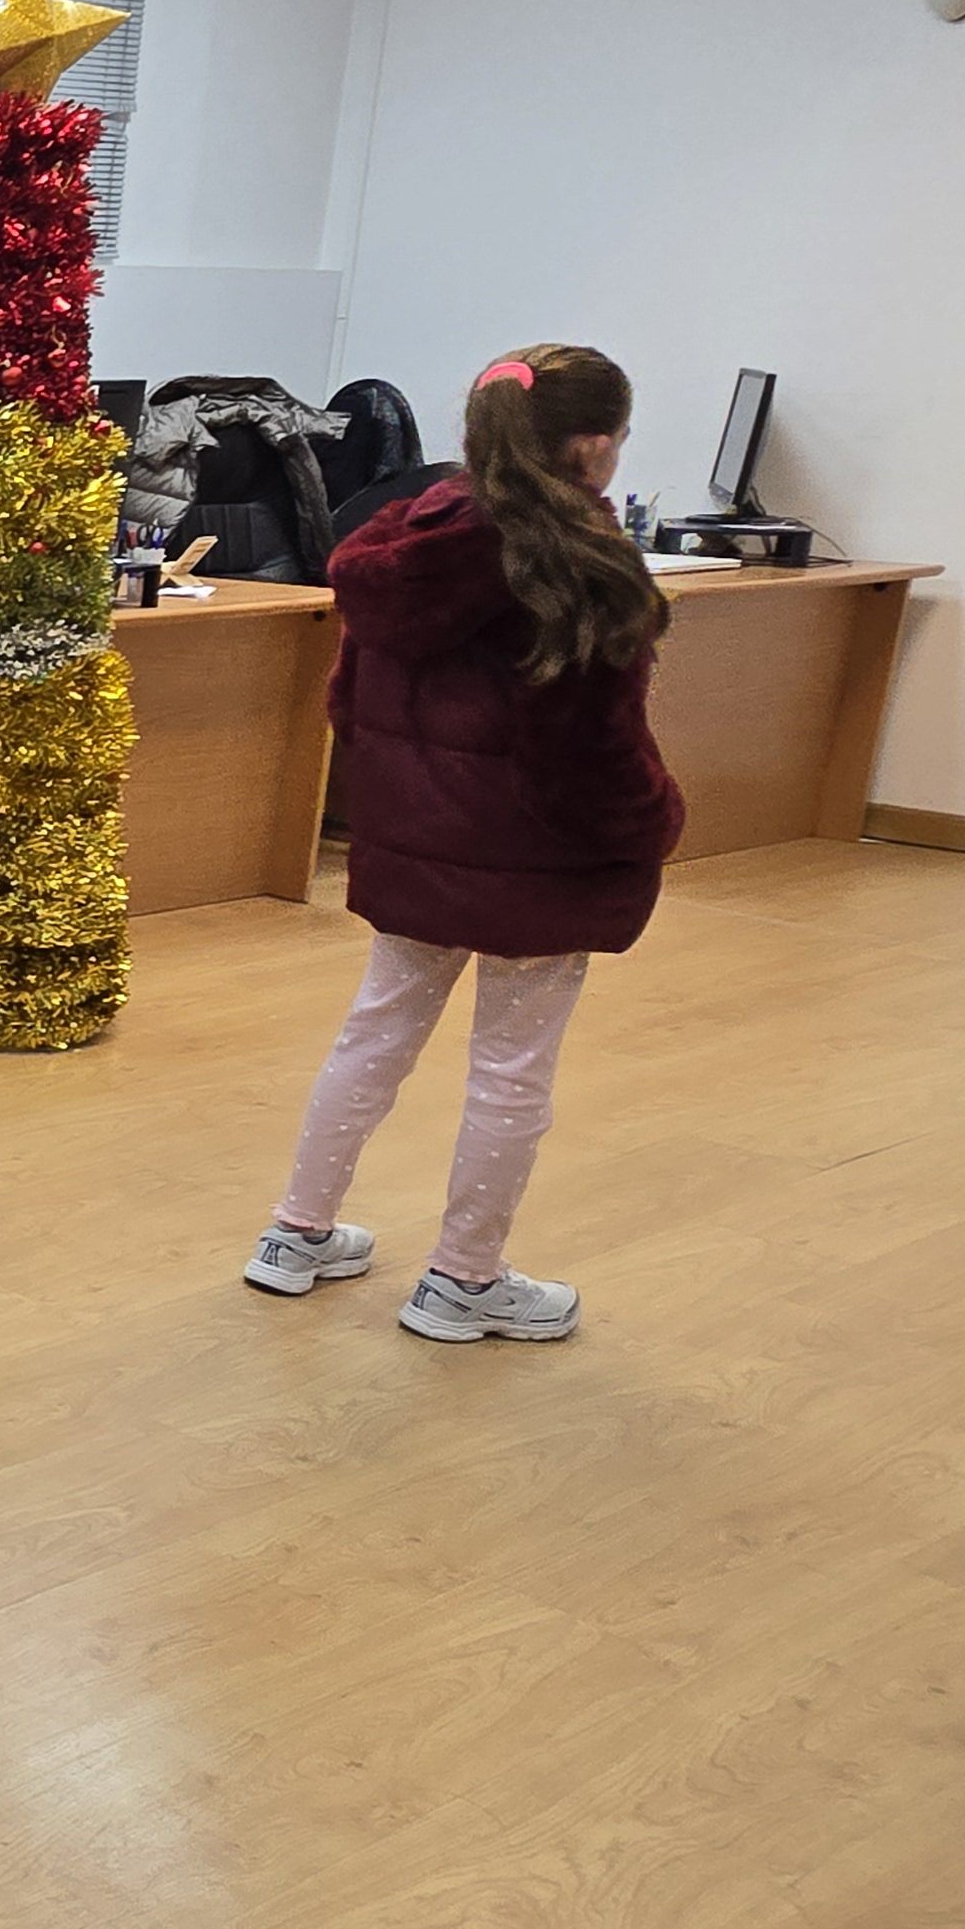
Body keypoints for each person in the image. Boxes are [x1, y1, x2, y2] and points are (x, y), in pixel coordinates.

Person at [244, 345, 679, 1343]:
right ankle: (462, 1280)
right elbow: (592, 749)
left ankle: (295, 1232)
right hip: (535, 859)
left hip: (414, 840)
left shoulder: (404, 534)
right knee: (511, 1066)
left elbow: (349, 700)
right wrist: (650, 824)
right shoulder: (577, 558)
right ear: (592, 446)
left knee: (374, 1030)